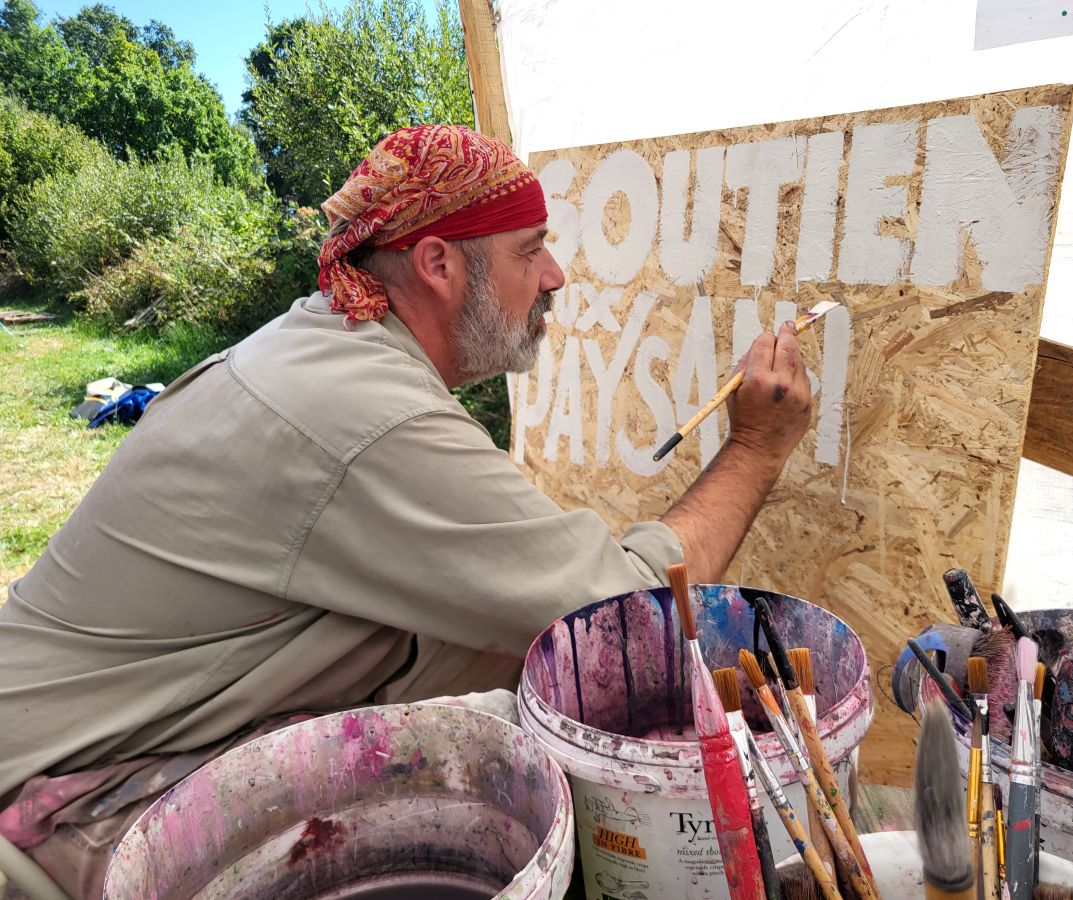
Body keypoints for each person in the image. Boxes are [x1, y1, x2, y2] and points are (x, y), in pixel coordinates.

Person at [0, 125, 812, 897]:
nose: (555, 276)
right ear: (437, 263)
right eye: (530, 251)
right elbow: (625, 620)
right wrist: (756, 449)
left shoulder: (328, 342)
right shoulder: (366, 415)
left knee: (505, 665)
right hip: (72, 798)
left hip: (108, 730)